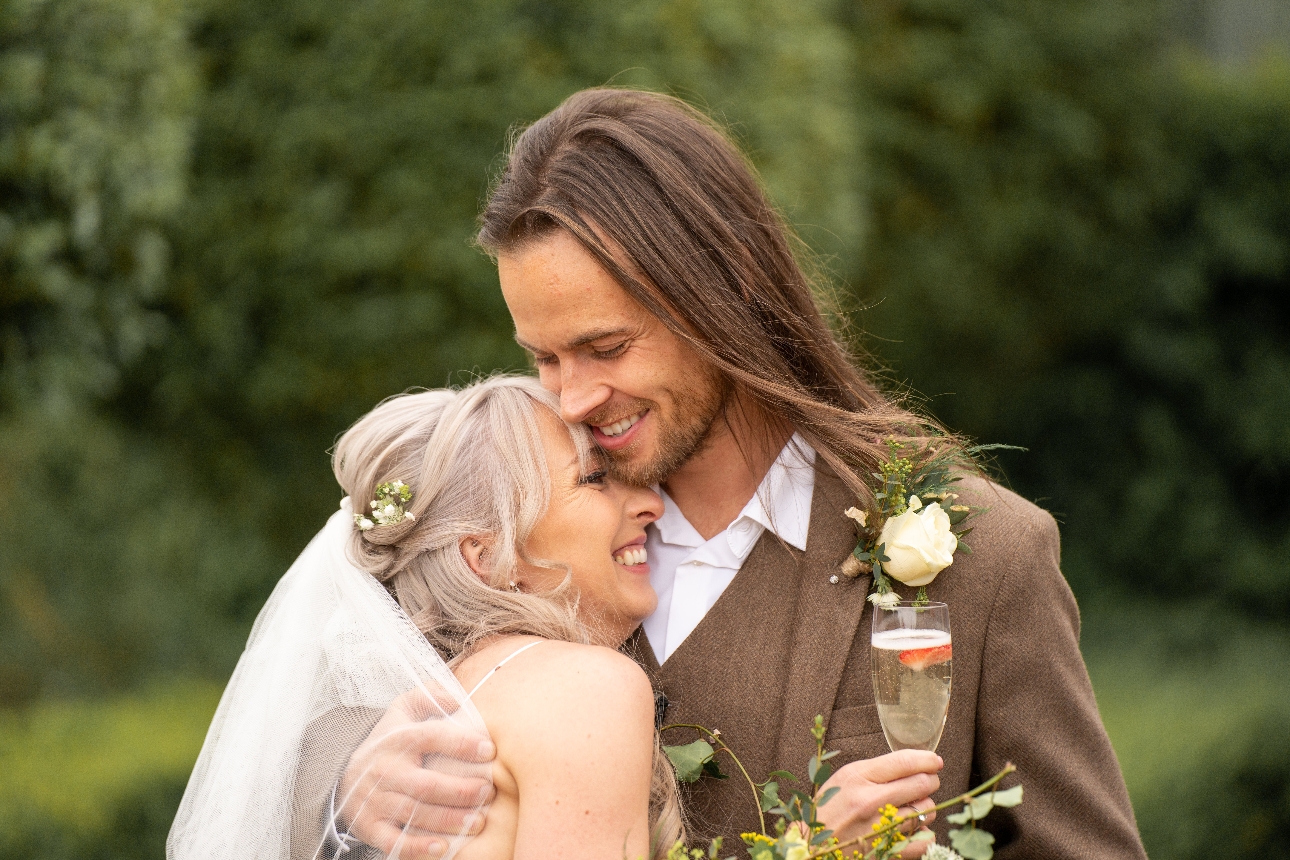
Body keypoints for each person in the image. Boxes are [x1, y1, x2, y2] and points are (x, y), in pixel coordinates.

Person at [339, 88, 1149, 858]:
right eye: (544, 358)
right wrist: (345, 780)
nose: (574, 398)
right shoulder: (508, 528)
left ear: (726, 289)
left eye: (607, 347)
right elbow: (312, 700)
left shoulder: (986, 559)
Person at [169, 376, 685, 860]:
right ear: (487, 557)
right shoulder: (584, 687)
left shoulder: (440, 700)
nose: (650, 502)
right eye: (595, 479)